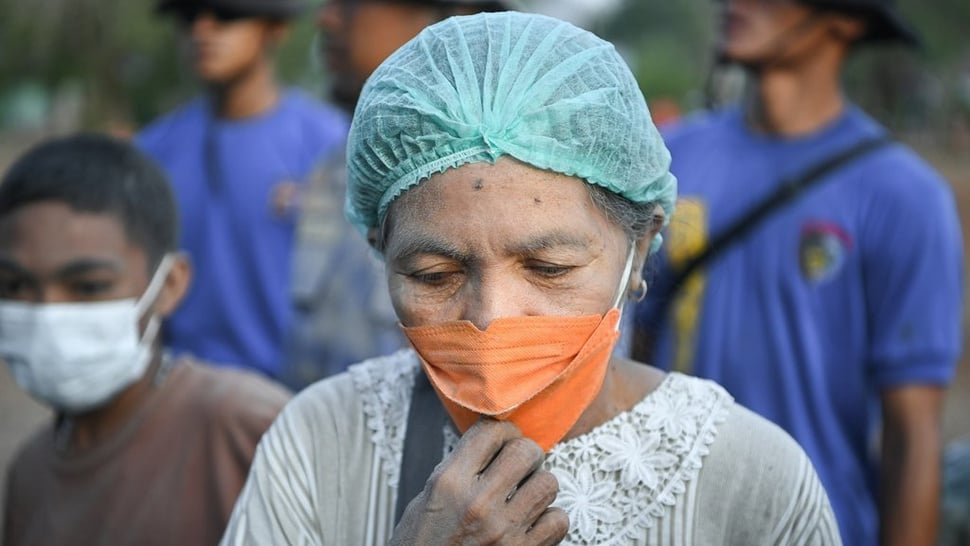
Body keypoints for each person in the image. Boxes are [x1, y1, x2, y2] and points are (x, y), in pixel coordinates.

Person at [221, 12, 842, 545]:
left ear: (641, 247)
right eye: (434, 274)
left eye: (550, 269)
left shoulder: (750, 479)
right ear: (380, 252)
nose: (491, 318)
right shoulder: (318, 446)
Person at [631, 1, 964, 545]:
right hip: (668, 522)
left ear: (848, 21)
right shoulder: (666, 160)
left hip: (818, 526)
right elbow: (629, 345)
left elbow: (913, 435)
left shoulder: (905, 197)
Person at [0, 134, 291, 546]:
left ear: (170, 285)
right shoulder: (29, 473)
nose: (48, 313)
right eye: (15, 285)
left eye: (87, 287)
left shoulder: (248, 430)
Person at [283, 0, 517, 387]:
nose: (326, 18)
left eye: (351, 6)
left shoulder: (498, 177)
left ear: (454, 16)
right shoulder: (333, 165)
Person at [136, 0, 349, 379]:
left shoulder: (331, 147)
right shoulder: (151, 153)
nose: (202, 31)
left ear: (277, 28)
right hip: (178, 392)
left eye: (227, 15)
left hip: (293, 402)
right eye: (188, 17)